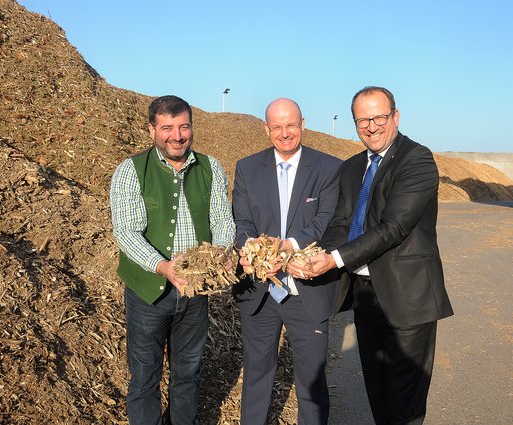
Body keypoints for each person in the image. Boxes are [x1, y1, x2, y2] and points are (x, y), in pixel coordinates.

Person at [289, 86, 454, 425]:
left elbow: (393, 227)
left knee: (404, 404)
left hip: (407, 297)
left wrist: (334, 260)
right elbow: (339, 223)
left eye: (379, 117)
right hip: (365, 297)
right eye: (362, 119)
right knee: (378, 395)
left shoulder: (417, 159)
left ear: (395, 116)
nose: (372, 126)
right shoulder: (351, 168)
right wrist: (314, 256)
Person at [110, 95, 235, 425]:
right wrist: (163, 267)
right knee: (144, 377)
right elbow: (127, 232)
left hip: (194, 295)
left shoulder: (211, 167)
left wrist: (219, 253)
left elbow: (222, 219)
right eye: (167, 128)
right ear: (151, 130)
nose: (177, 136)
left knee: (188, 373)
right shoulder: (131, 171)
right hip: (149, 293)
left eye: (183, 127)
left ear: (192, 127)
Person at [232, 98, 342, 425]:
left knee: (311, 382)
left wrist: (287, 246)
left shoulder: (328, 168)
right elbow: (242, 222)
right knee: (256, 377)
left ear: (303, 124)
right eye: (277, 126)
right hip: (259, 292)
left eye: (290, 125)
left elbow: (326, 219)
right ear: (266, 129)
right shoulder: (248, 168)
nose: (284, 133)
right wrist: (252, 248)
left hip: (306, 292)